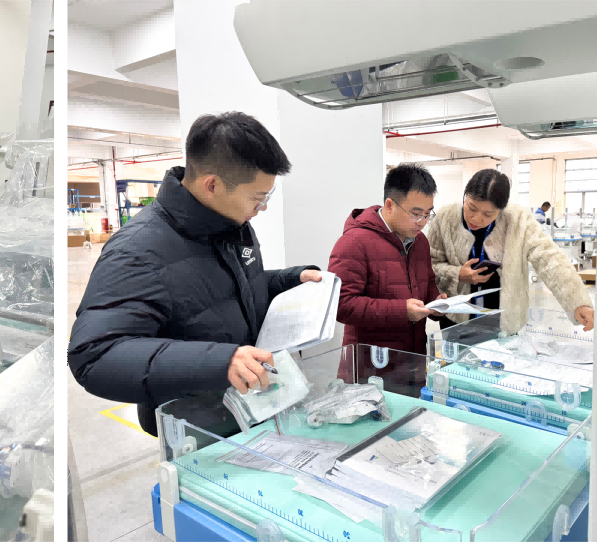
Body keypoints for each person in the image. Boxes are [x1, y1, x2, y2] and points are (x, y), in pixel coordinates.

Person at [67, 112, 325, 437]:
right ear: (212, 185)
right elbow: (95, 356)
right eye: (258, 198)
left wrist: (289, 279)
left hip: (247, 410)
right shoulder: (137, 250)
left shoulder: (232, 226)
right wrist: (221, 362)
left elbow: (223, 290)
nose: (263, 208)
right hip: (193, 426)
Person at [424, 169, 596, 335]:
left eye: (488, 214)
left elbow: (549, 258)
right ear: (465, 196)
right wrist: (458, 274)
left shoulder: (518, 220)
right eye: (472, 208)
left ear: (501, 210)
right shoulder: (445, 219)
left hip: (503, 322)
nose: (477, 218)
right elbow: (429, 265)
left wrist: (577, 302)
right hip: (455, 321)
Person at [327, 164, 444, 392]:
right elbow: (341, 305)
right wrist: (402, 311)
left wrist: (436, 302)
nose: (422, 222)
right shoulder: (354, 242)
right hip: (370, 369)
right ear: (389, 205)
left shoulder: (420, 242)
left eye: (428, 214)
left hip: (413, 363)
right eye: (415, 213)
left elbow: (427, 282)